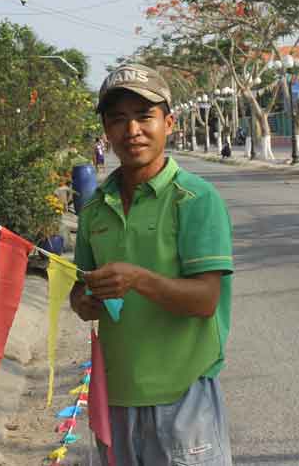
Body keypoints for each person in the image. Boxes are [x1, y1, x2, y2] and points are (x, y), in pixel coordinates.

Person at [71, 64, 234, 466]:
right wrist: (83, 301)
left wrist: (138, 279)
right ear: (105, 131)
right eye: (118, 120)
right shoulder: (94, 208)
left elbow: (205, 300)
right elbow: (80, 288)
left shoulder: (195, 199)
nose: (132, 131)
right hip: (115, 396)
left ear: (169, 123)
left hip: (183, 397)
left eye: (145, 116)